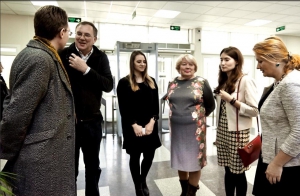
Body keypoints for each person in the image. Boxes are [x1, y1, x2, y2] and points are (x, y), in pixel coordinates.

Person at [0, 5, 75, 195]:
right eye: (68, 30)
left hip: (46, 157)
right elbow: (17, 113)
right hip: (40, 159)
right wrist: (6, 153)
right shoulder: (40, 59)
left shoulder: (40, 54)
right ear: (62, 31)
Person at [59, 21, 113, 196]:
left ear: (94, 39)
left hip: (92, 122)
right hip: (69, 123)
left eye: (87, 35)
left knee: (92, 167)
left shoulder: (100, 57)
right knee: (69, 168)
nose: (82, 38)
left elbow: (108, 85)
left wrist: (86, 70)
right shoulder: (63, 54)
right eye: (79, 33)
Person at [252, 36, 300, 196]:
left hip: (285, 164)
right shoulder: (279, 82)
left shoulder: (290, 84)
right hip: (272, 156)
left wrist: (277, 164)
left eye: (260, 61)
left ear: (275, 59)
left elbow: (299, 130)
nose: (258, 66)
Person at [164, 54, 215, 196]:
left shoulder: (202, 82)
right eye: (184, 64)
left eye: (190, 64)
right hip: (177, 130)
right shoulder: (172, 82)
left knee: (194, 160)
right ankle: (184, 190)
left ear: (195, 67)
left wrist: (198, 119)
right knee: (181, 159)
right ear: (178, 67)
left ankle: (191, 193)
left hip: (195, 131)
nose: (187, 67)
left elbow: (210, 105)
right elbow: (171, 102)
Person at [214, 46, 259, 196]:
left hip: (238, 134)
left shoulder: (246, 80)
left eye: (227, 59)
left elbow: (254, 110)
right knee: (227, 169)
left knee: (238, 172)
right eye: (221, 59)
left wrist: (232, 100)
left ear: (237, 61)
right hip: (222, 132)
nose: (223, 63)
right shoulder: (224, 81)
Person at [117, 51, 161, 196]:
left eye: (144, 61)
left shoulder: (151, 81)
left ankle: (142, 180)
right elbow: (124, 108)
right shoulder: (124, 83)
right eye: (139, 61)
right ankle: (138, 187)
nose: (142, 64)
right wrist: (134, 124)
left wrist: (152, 122)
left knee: (149, 155)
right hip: (132, 127)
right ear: (132, 63)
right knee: (135, 157)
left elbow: (156, 107)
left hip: (150, 125)